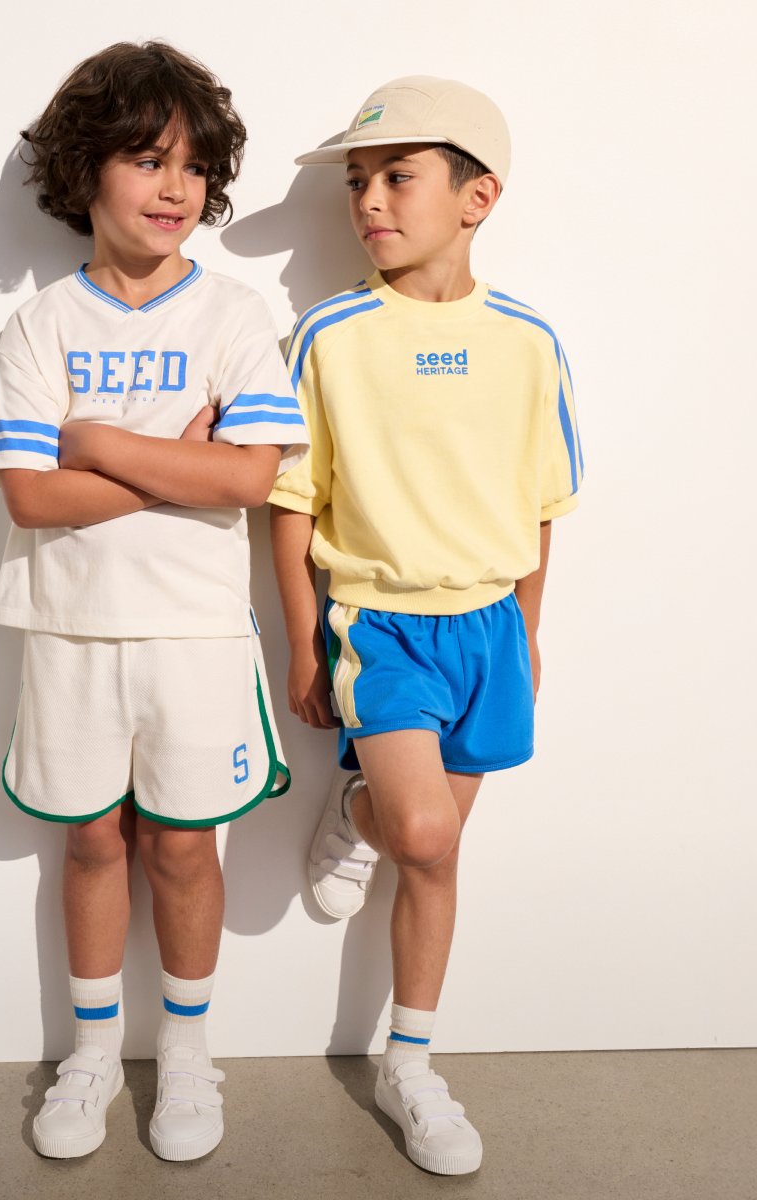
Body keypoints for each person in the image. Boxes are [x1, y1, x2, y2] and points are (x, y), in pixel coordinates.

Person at [0, 41, 307, 1163]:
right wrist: (177, 461)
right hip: (69, 631)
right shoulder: (41, 327)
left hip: (196, 634)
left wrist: (100, 443)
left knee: (184, 850)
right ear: (86, 170)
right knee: (91, 847)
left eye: (195, 166)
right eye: (147, 159)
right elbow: (30, 495)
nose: (175, 188)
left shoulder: (235, 316)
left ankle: (190, 1054)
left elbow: (249, 480)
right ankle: (94, 1054)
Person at [269, 75, 583, 1175]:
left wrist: (528, 634)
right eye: (358, 180)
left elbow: (542, 506)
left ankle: (410, 1058)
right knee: (425, 833)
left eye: (396, 177)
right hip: (381, 625)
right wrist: (307, 641)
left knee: (437, 853)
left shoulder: (530, 341)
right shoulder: (330, 334)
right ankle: (365, 806)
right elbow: (292, 502)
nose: (368, 201)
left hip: (489, 627)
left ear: (477, 196)